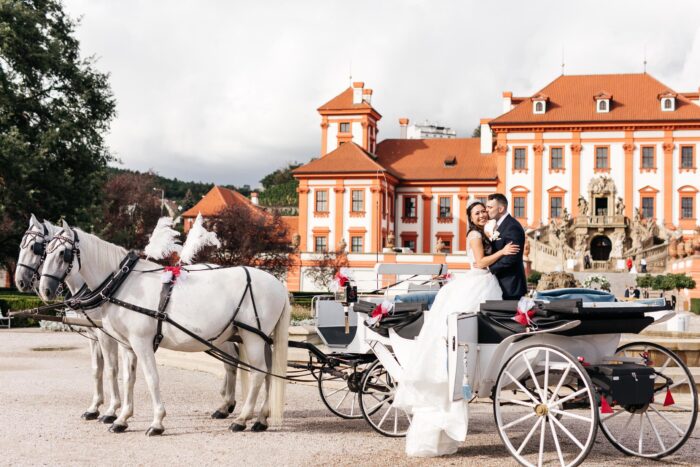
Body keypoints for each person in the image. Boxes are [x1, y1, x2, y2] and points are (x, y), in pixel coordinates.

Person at [394, 200, 519, 457]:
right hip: (478, 281)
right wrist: (503, 251)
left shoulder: (483, 232)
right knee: (463, 324)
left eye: (484, 210)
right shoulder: (474, 234)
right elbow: (480, 262)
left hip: (483, 282)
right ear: (470, 218)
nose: (483, 213)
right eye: (477, 212)